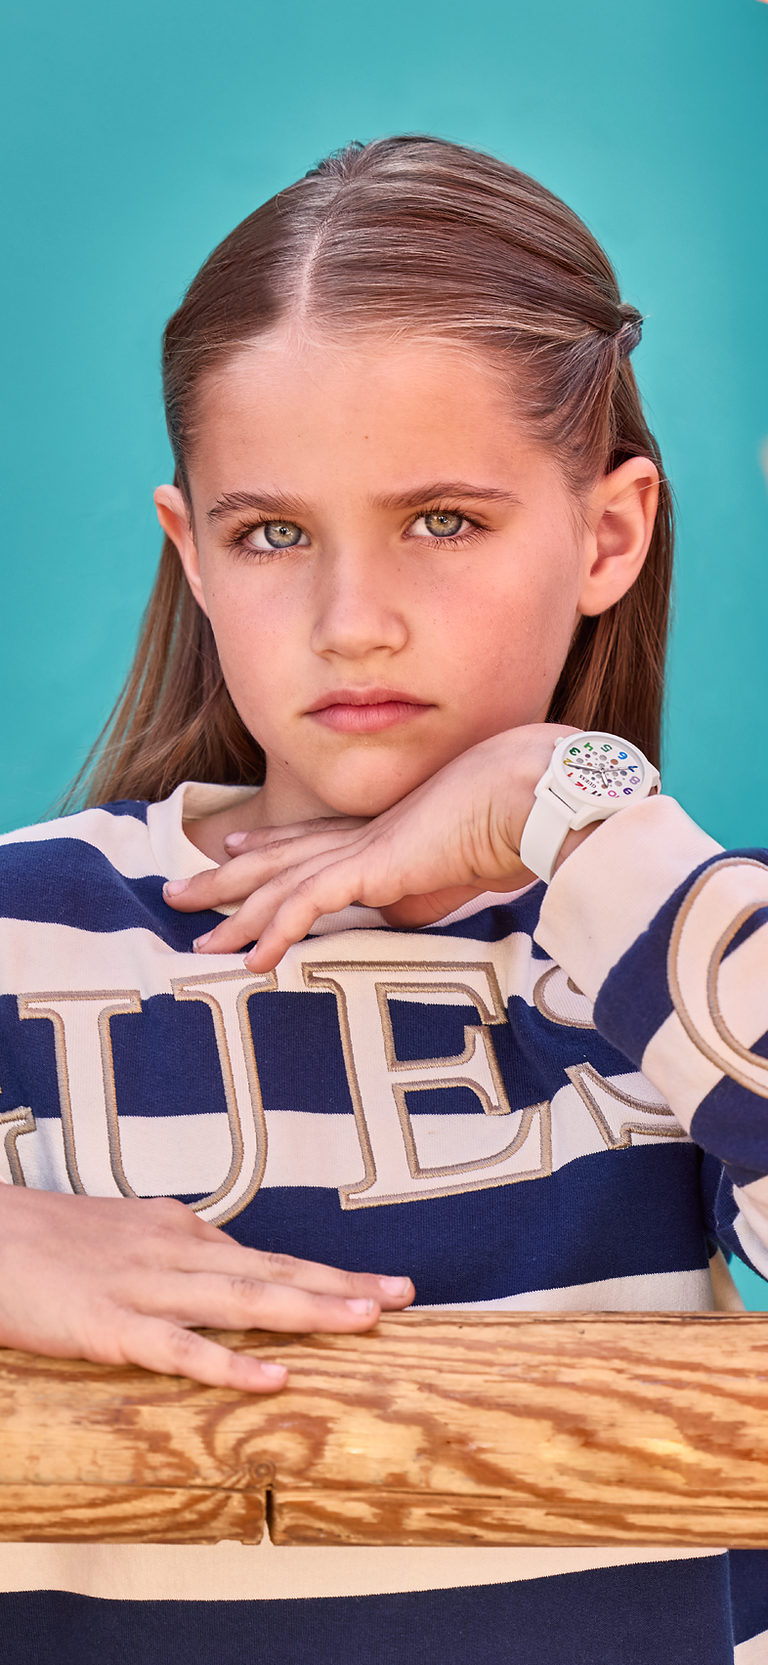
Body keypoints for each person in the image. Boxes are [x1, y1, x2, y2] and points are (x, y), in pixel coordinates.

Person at [0, 135, 766, 1663]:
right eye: (273, 534)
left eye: (443, 521)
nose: (352, 625)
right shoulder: (32, 931)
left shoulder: (659, 936)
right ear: (193, 554)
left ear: (610, 534)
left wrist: (580, 812)